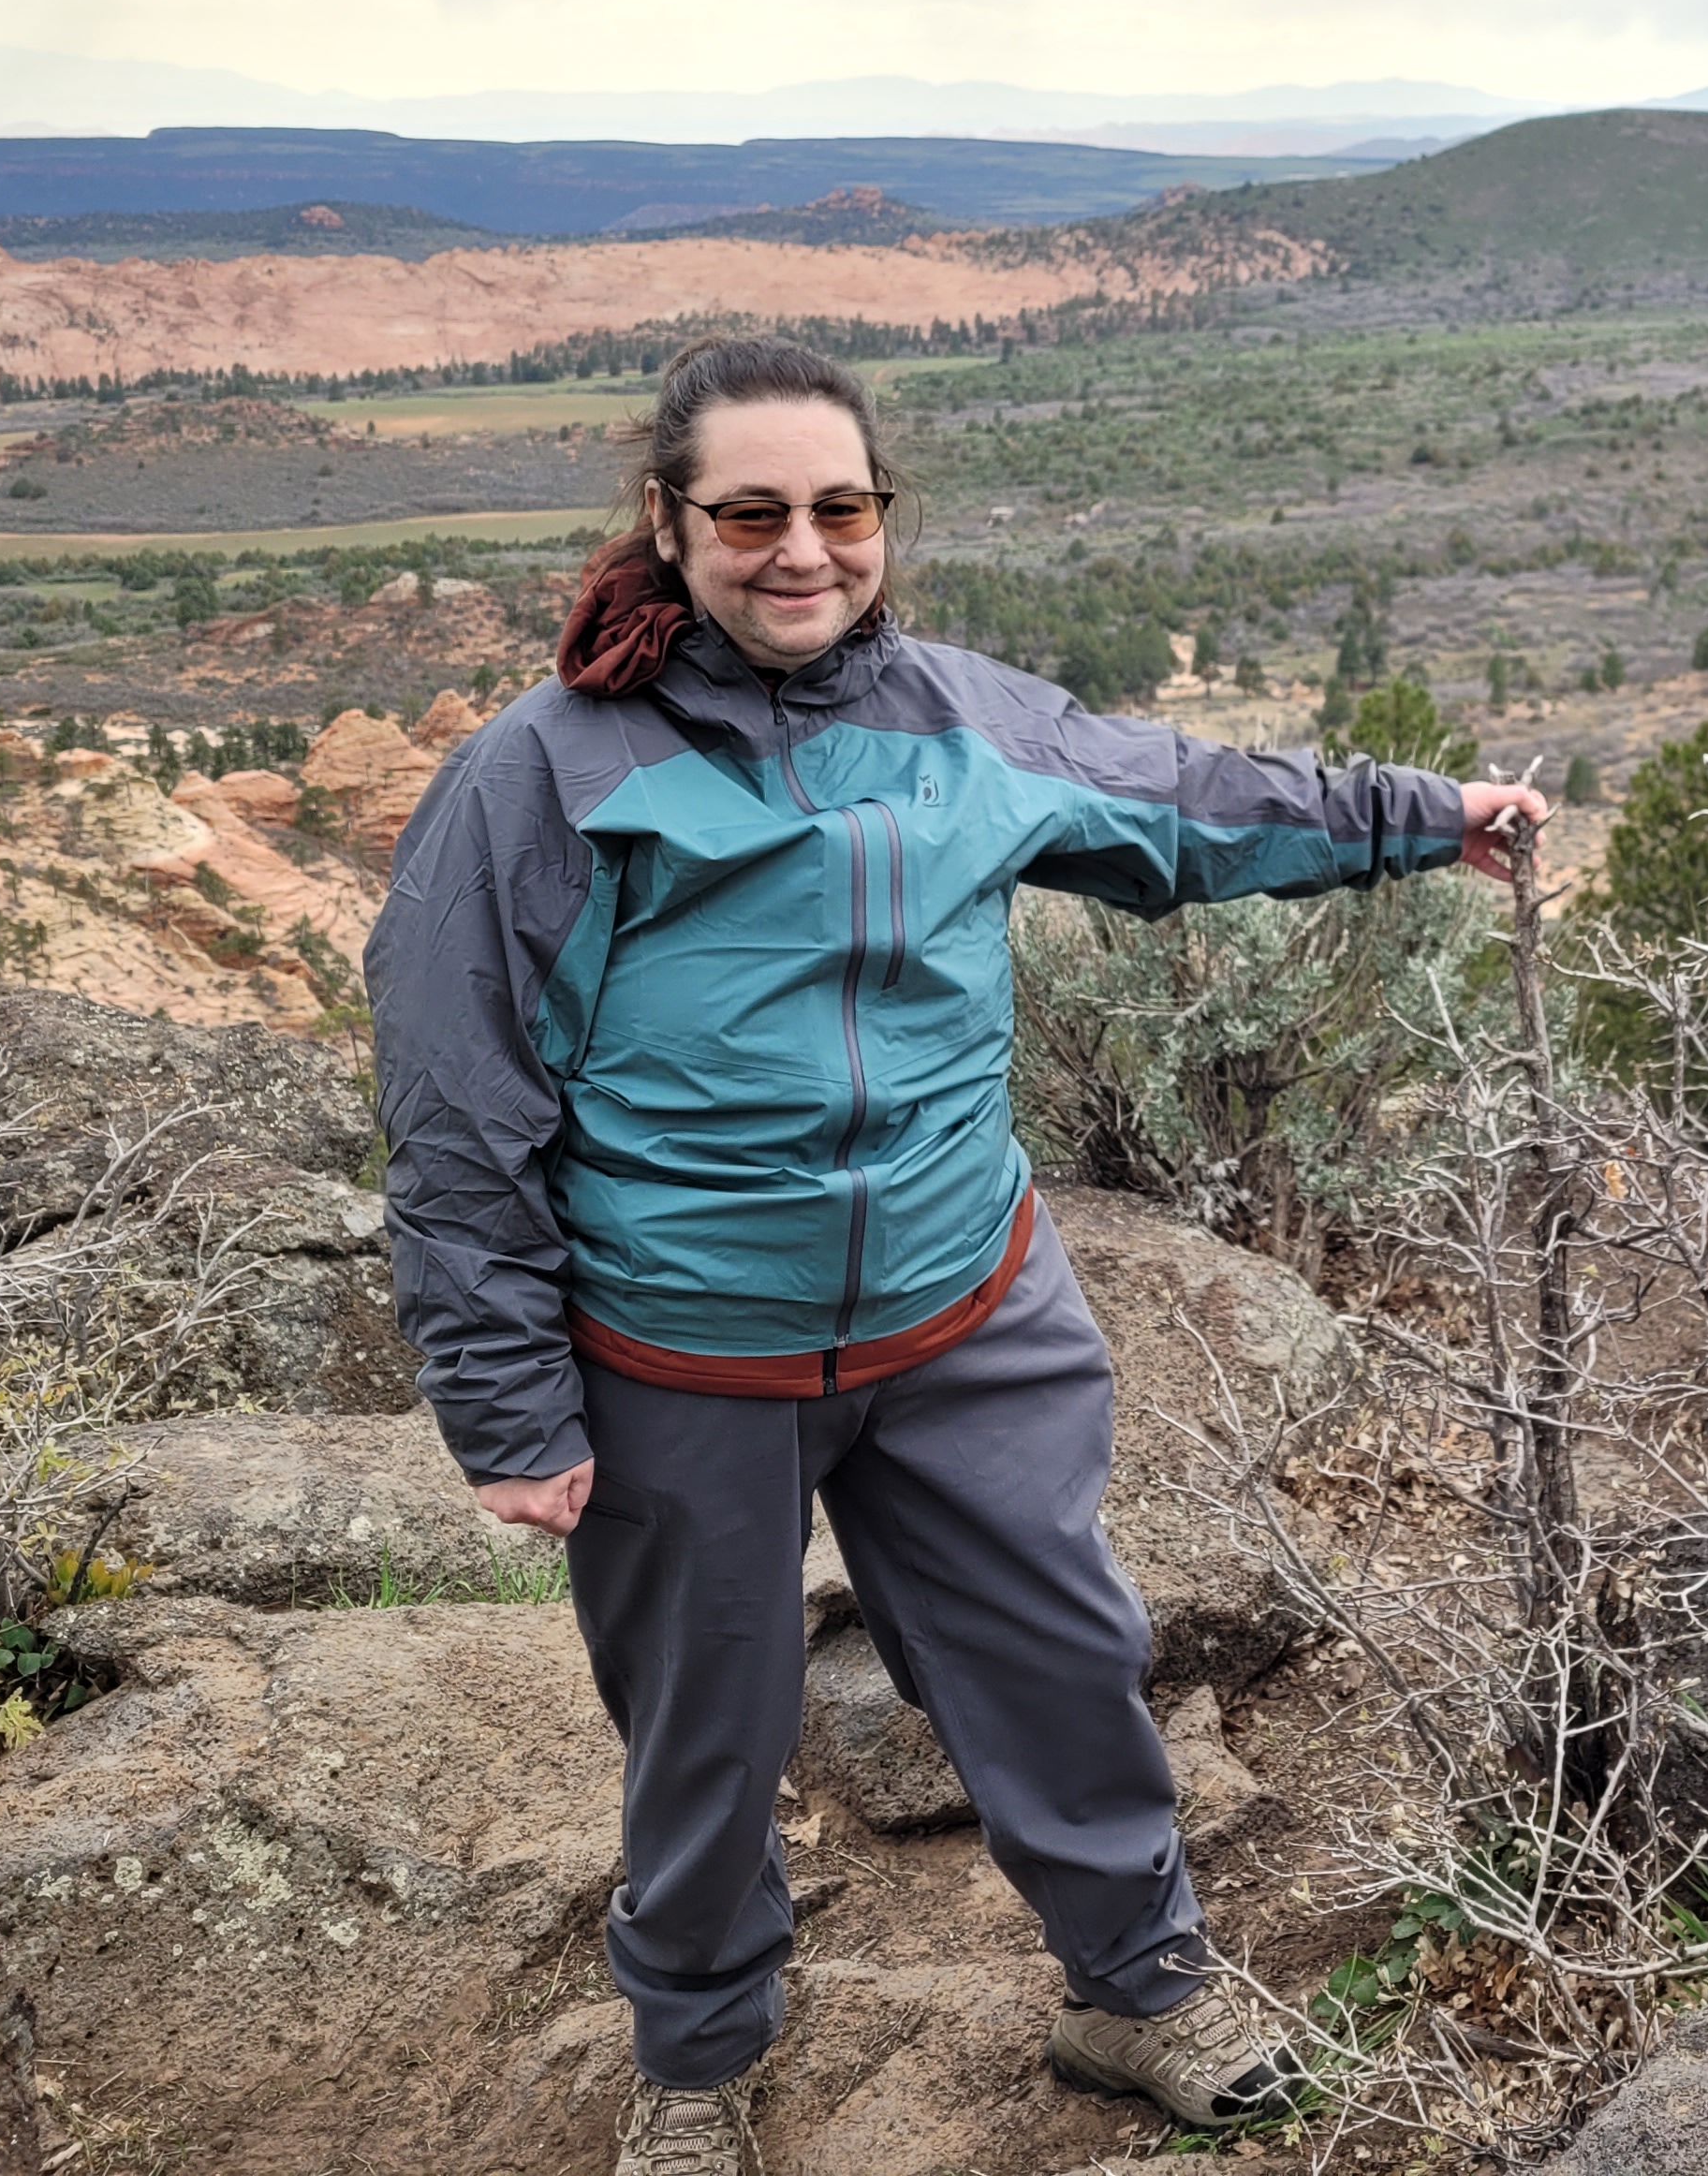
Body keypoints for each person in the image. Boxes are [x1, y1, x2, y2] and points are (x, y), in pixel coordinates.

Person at [364, 334, 1543, 2176]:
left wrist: (1419, 817)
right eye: (749, 512)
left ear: (880, 520)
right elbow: (457, 1112)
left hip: (959, 1310)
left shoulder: (959, 720)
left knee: (1064, 1653)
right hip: (684, 1355)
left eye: (841, 509)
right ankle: (696, 2053)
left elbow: (1185, 799)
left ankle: (1135, 1984)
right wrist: (509, 1400)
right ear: (667, 524)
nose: (801, 550)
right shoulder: (544, 776)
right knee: (701, 1726)